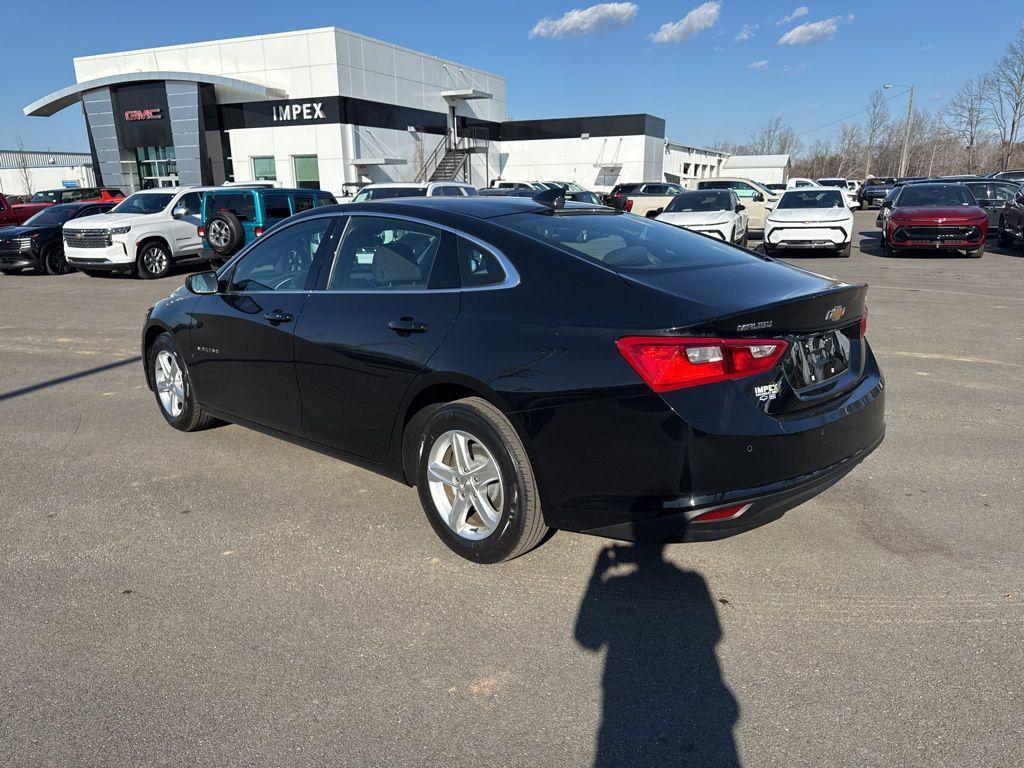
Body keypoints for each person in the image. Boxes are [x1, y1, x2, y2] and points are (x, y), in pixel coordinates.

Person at [574, 543, 741, 767]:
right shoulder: (693, 581)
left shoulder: (617, 585)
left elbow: (587, 638)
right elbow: (714, 633)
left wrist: (598, 572)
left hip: (624, 706)